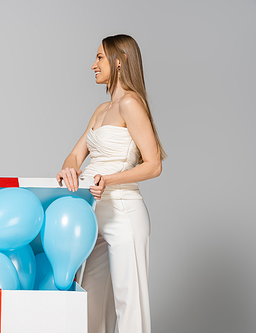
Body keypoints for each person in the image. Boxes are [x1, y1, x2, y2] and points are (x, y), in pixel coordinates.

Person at [56, 34, 165, 333]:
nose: (93, 65)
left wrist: (109, 179)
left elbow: (153, 164)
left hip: (123, 211)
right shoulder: (101, 110)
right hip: (93, 213)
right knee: (90, 302)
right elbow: (75, 154)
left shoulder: (131, 103)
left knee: (130, 304)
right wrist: (69, 170)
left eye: (100, 58)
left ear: (119, 62)